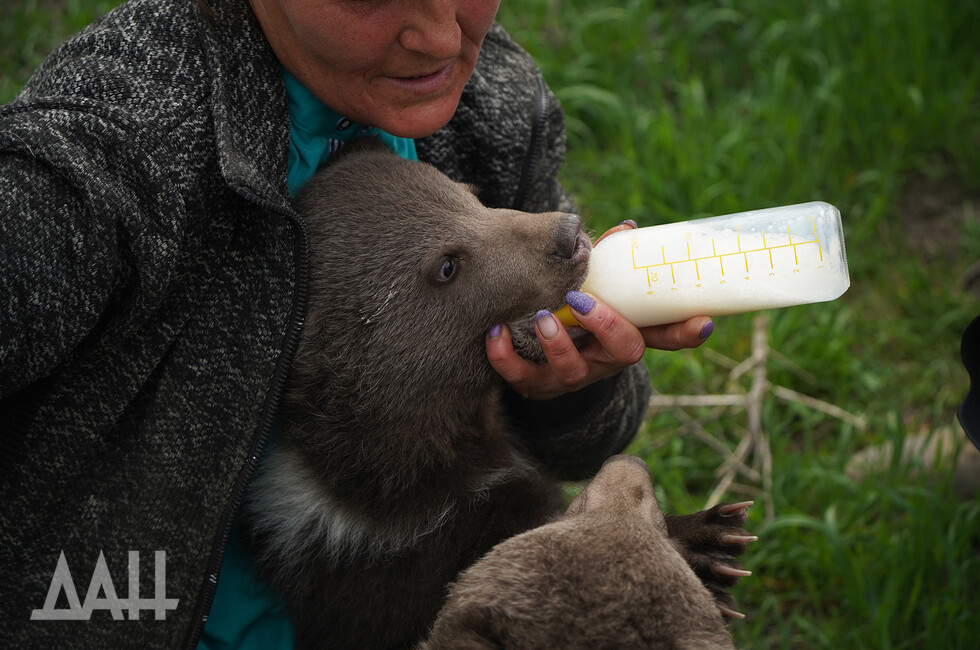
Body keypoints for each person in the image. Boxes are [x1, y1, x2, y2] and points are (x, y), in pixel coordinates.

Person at [0, 0, 713, 647]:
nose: (440, 34)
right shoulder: (128, 130)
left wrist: (571, 386)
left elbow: (589, 444)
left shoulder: (489, 100)